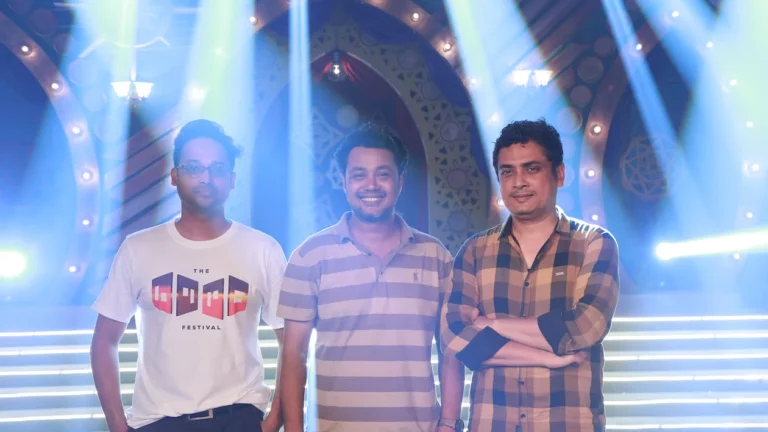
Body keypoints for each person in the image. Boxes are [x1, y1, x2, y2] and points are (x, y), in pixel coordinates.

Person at [90, 119, 286, 432]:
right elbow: (104, 341)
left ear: (232, 179)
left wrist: (276, 419)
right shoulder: (138, 248)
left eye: (217, 169)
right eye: (193, 168)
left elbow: (291, 340)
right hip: (158, 422)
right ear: (174, 176)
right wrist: (117, 426)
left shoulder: (263, 249)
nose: (205, 178)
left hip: (239, 419)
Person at [277, 122, 466, 432]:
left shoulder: (435, 257)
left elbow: (450, 350)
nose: (371, 185)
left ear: (400, 181)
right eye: (359, 175)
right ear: (343, 181)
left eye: (383, 174)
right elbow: (293, 356)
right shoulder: (310, 255)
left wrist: (448, 424)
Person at [440, 119, 620, 431]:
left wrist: (492, 324)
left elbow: (586, 325)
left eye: (531, 169)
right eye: (507, 172)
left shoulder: (594, 243)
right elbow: (454, 336)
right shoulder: (474, 251)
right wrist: (547, 357)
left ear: (559, 174)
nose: (519, 182)